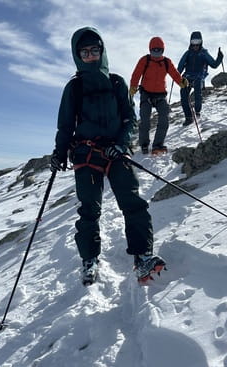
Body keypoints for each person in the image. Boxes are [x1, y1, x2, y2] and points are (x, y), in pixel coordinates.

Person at [50, 27, 166, 285]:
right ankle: (89, 259)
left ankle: (143, 255)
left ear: (102, 51)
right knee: (89, 209)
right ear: (77, 55)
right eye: (85, 51)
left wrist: (122, 143)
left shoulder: (116, 82)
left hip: (116, 152)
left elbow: (129, 118)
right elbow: (65, 125)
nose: (90, 55)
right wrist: (59, 152)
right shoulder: (74, 87)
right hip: (86, 153)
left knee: (132, 202)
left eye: (94, 50)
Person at [130, 37, 188, 155]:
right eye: (153, 51)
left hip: (161, 95)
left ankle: (158, 145)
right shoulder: (144, 60)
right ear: (150, 50)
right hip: (146, 94)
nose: (156, 54)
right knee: (145, 120)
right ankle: (144, 144)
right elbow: (136, 74)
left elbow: (175, 74)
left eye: (159, 51)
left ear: (163, 50)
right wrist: (133, 86)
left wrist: (181, 82)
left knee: (164, 119)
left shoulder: (166, 62)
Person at [177, 31, 223, 126]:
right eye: (193, 42)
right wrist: (177, 74)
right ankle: (188, 117)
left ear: (201, 42)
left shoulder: (204, 53)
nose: (195, 45)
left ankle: (197, 111)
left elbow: (214, 64)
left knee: (197, 91)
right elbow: (181, 65)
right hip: (188, 76)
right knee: (183, 95)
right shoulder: (188, 53)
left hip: (199, 76)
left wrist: (220, 57)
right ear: (190, 42)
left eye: (197, 41)